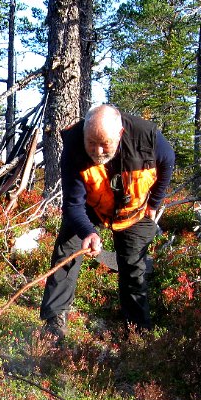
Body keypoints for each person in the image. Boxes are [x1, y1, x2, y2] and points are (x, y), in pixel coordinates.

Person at [39, 104, 175, 337]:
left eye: (105, 144)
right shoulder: (73, 147)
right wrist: (88, 232)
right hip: (93, 206)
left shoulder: (149, 140)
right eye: (91, 142)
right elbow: (73, 204)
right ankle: (55, 320)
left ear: (119, 134)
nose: (97, 150)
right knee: (67, 250)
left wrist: (154, 203)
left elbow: (168, 163)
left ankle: (137, 330)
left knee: (134, 267)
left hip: (133, 209)